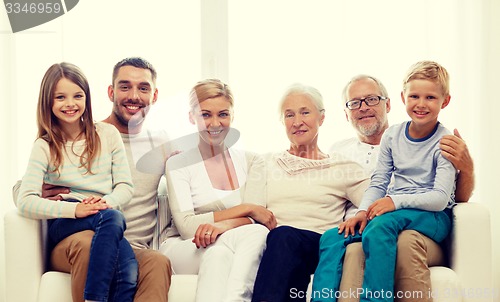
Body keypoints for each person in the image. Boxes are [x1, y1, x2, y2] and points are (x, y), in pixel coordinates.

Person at [14, 57, 172, 302]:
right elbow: (23, 194)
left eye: (143, 88)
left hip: (116, 233)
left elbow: (125, 186)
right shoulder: (47, 145)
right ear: (110, 92)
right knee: (95, 235)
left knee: (156, 261)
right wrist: (73, 207)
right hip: (72, 235)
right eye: (125, 86)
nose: (134, 96)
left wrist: (101, 203)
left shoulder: (133, 140)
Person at [311, 61, 461, 302]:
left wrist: (394, 202)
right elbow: (379, 182)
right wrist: (362, 212)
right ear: (403, 98)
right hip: (395, 214)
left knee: (381, 227)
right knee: (332, 237)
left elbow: (440, 198)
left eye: (430, 97)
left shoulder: (444, 142)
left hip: (432, 216)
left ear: (445, 101)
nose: (421, 104)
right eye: (414, 96)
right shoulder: (392, 135)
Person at [251, 84, 371, 302]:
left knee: (284, 236)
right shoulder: (264, 162)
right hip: (274, 246)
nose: (297, 122)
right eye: (289, 115)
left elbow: (375, 201)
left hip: (318, 245)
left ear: (321, 118)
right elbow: (248, 206)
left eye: (305, 112)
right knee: (281, 240)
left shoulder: (342, 167)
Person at [160, 79, 275, 302]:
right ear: (191, 117)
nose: (215, 123)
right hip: (184, 248)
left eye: (223, 114)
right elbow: (186, 226)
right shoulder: (178, 163)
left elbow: (259, 221)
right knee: (255, 236)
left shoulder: (252, 162)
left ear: (233, 115)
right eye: (205, 115)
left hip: (223, 244)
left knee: (220, 254)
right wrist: (247, 209)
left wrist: (221, 225)